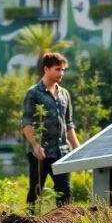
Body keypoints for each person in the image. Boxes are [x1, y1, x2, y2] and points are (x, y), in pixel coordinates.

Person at [21, 52, 80, 208]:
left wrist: (78, 149)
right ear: (46, 69)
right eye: (57, 69)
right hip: (39, 153)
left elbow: (68, 124)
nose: (61, 73)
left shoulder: (65, 94)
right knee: (35, 192)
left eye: (63, 70)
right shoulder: (33, 93)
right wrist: (35, 145)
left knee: (65, 193)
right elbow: (26, 122)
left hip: (62, 153)